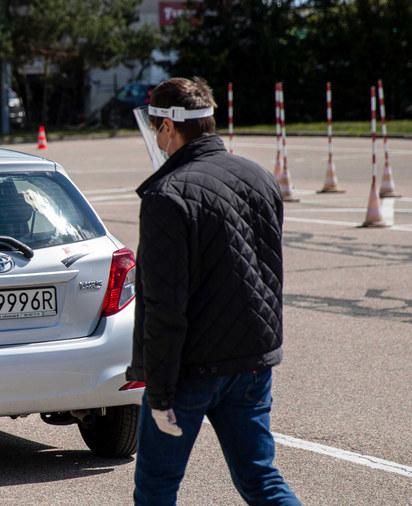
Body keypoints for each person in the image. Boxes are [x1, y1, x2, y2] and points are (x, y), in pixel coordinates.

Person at [128, 77, 300, 505]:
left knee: (156, 488)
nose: (156, 138)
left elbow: (164, 305)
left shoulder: (167, 195)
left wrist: (161, 392)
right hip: (252, 363)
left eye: (155, 127)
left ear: (169, 128)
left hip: (191, 371)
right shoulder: (260, 177)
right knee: (262, 480)